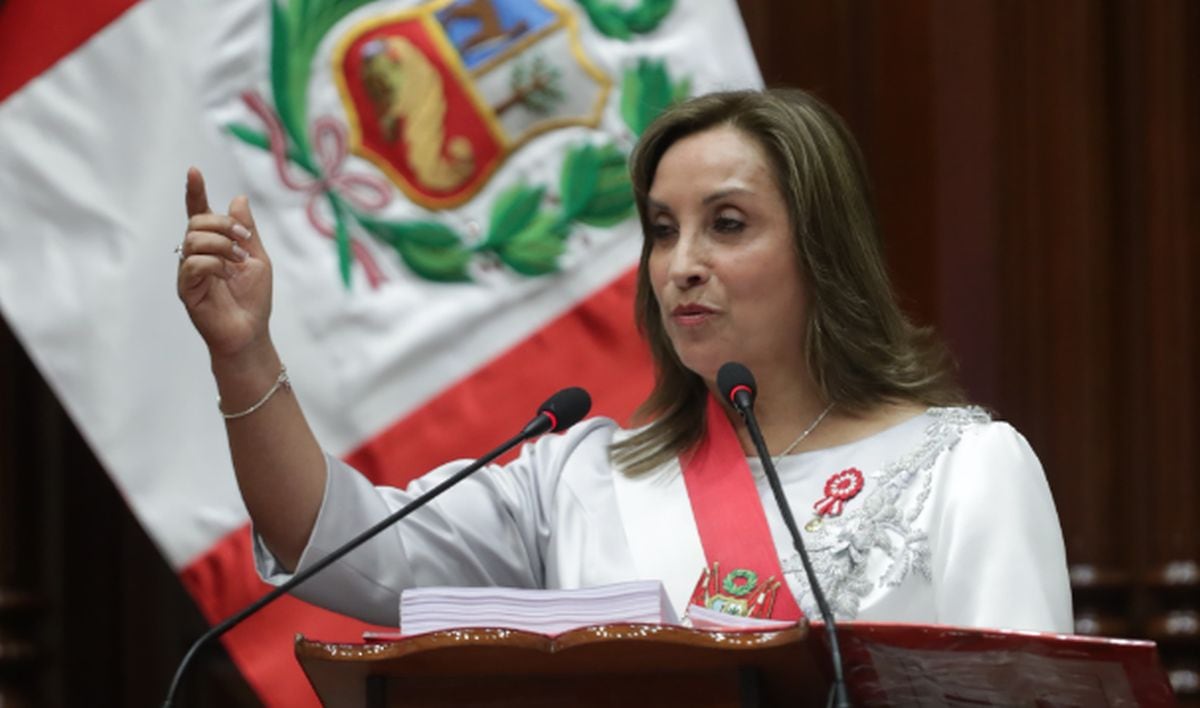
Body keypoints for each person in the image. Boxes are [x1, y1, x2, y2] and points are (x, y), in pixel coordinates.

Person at [177, 88, 1072, 632]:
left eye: (727, 224)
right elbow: (333, 544)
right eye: (661, 229)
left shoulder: (966, 471)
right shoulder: (577, 477)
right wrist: (245, 356)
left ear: (823, 249)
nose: (681, 263)